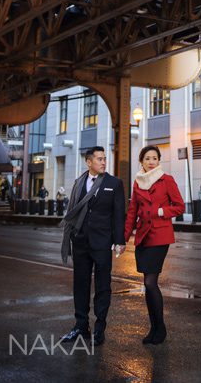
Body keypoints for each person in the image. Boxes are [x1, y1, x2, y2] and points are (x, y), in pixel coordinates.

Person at [60, 146, 126, 346]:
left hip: (102, 242)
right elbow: (73, 209)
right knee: (80, 284)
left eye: (104, 159)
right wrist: (72, 235)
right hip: (80, 241)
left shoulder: (114, 183)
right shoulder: (79, 182)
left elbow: (118, 214)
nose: (103, 162)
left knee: (103, 286)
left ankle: (100, 327)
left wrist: (119, 240)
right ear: (89, 162)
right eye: (99, 159)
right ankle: (81, 325)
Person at [124, 145, 184, 345]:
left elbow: (179, 206)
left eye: (155, 158)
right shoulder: (138, 183)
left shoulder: (167, 180)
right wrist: (123, 238)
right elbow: (132, 211)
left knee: (151, 282)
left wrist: (160, 212)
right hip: (143, 237)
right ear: (141, 161)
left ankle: (161, 329)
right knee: (147, 285)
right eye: (147, 158)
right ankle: (154, 328)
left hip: (159, 235)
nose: (151, 161)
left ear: (159, 161)